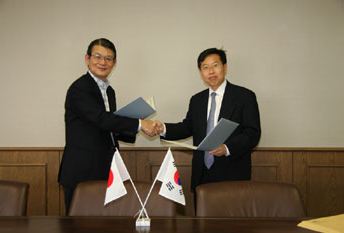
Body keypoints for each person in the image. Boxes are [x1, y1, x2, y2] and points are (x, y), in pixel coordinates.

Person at [58, 38, 155, 214]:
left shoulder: (108, 90)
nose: (103, 62)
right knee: (78, 226)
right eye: (98, 56)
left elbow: (108, 127)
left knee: (105, 223)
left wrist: (138, 126)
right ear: (87, 58)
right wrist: (139, 124)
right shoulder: (80, 88)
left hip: (106, 168)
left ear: (114, 63)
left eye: (108, 58)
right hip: (82, 171)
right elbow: (102, 119)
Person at [154, 48, 261, 195]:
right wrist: (163, 128)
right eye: (205, 67)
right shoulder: (197, 100)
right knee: (202, 217)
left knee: (233, 217)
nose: (211, 71)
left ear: (225, 67)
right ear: (201, 72)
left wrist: (227, 148)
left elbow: (252, 133)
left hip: (233, 172)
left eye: (215, 65)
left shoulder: (244, 96)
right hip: (202, 173)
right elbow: (187, 127)